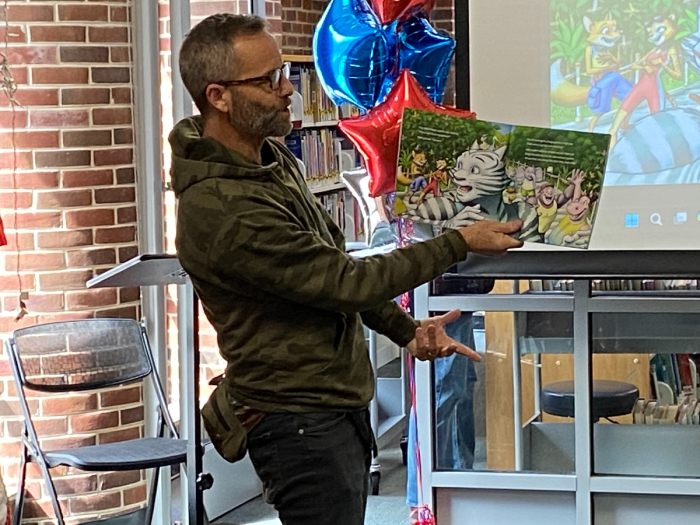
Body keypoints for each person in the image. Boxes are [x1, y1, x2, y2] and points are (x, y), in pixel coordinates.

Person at [170, 13, 523, 525]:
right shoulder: (221, 208)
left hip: (330, 405)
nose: (286, 90)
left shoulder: (273, 160)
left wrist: (406, 330)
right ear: (218, 95)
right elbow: (346, 282)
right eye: (268, 80)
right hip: (295, 419)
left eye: (284, 74)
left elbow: (330, 273)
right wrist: (459, 242)